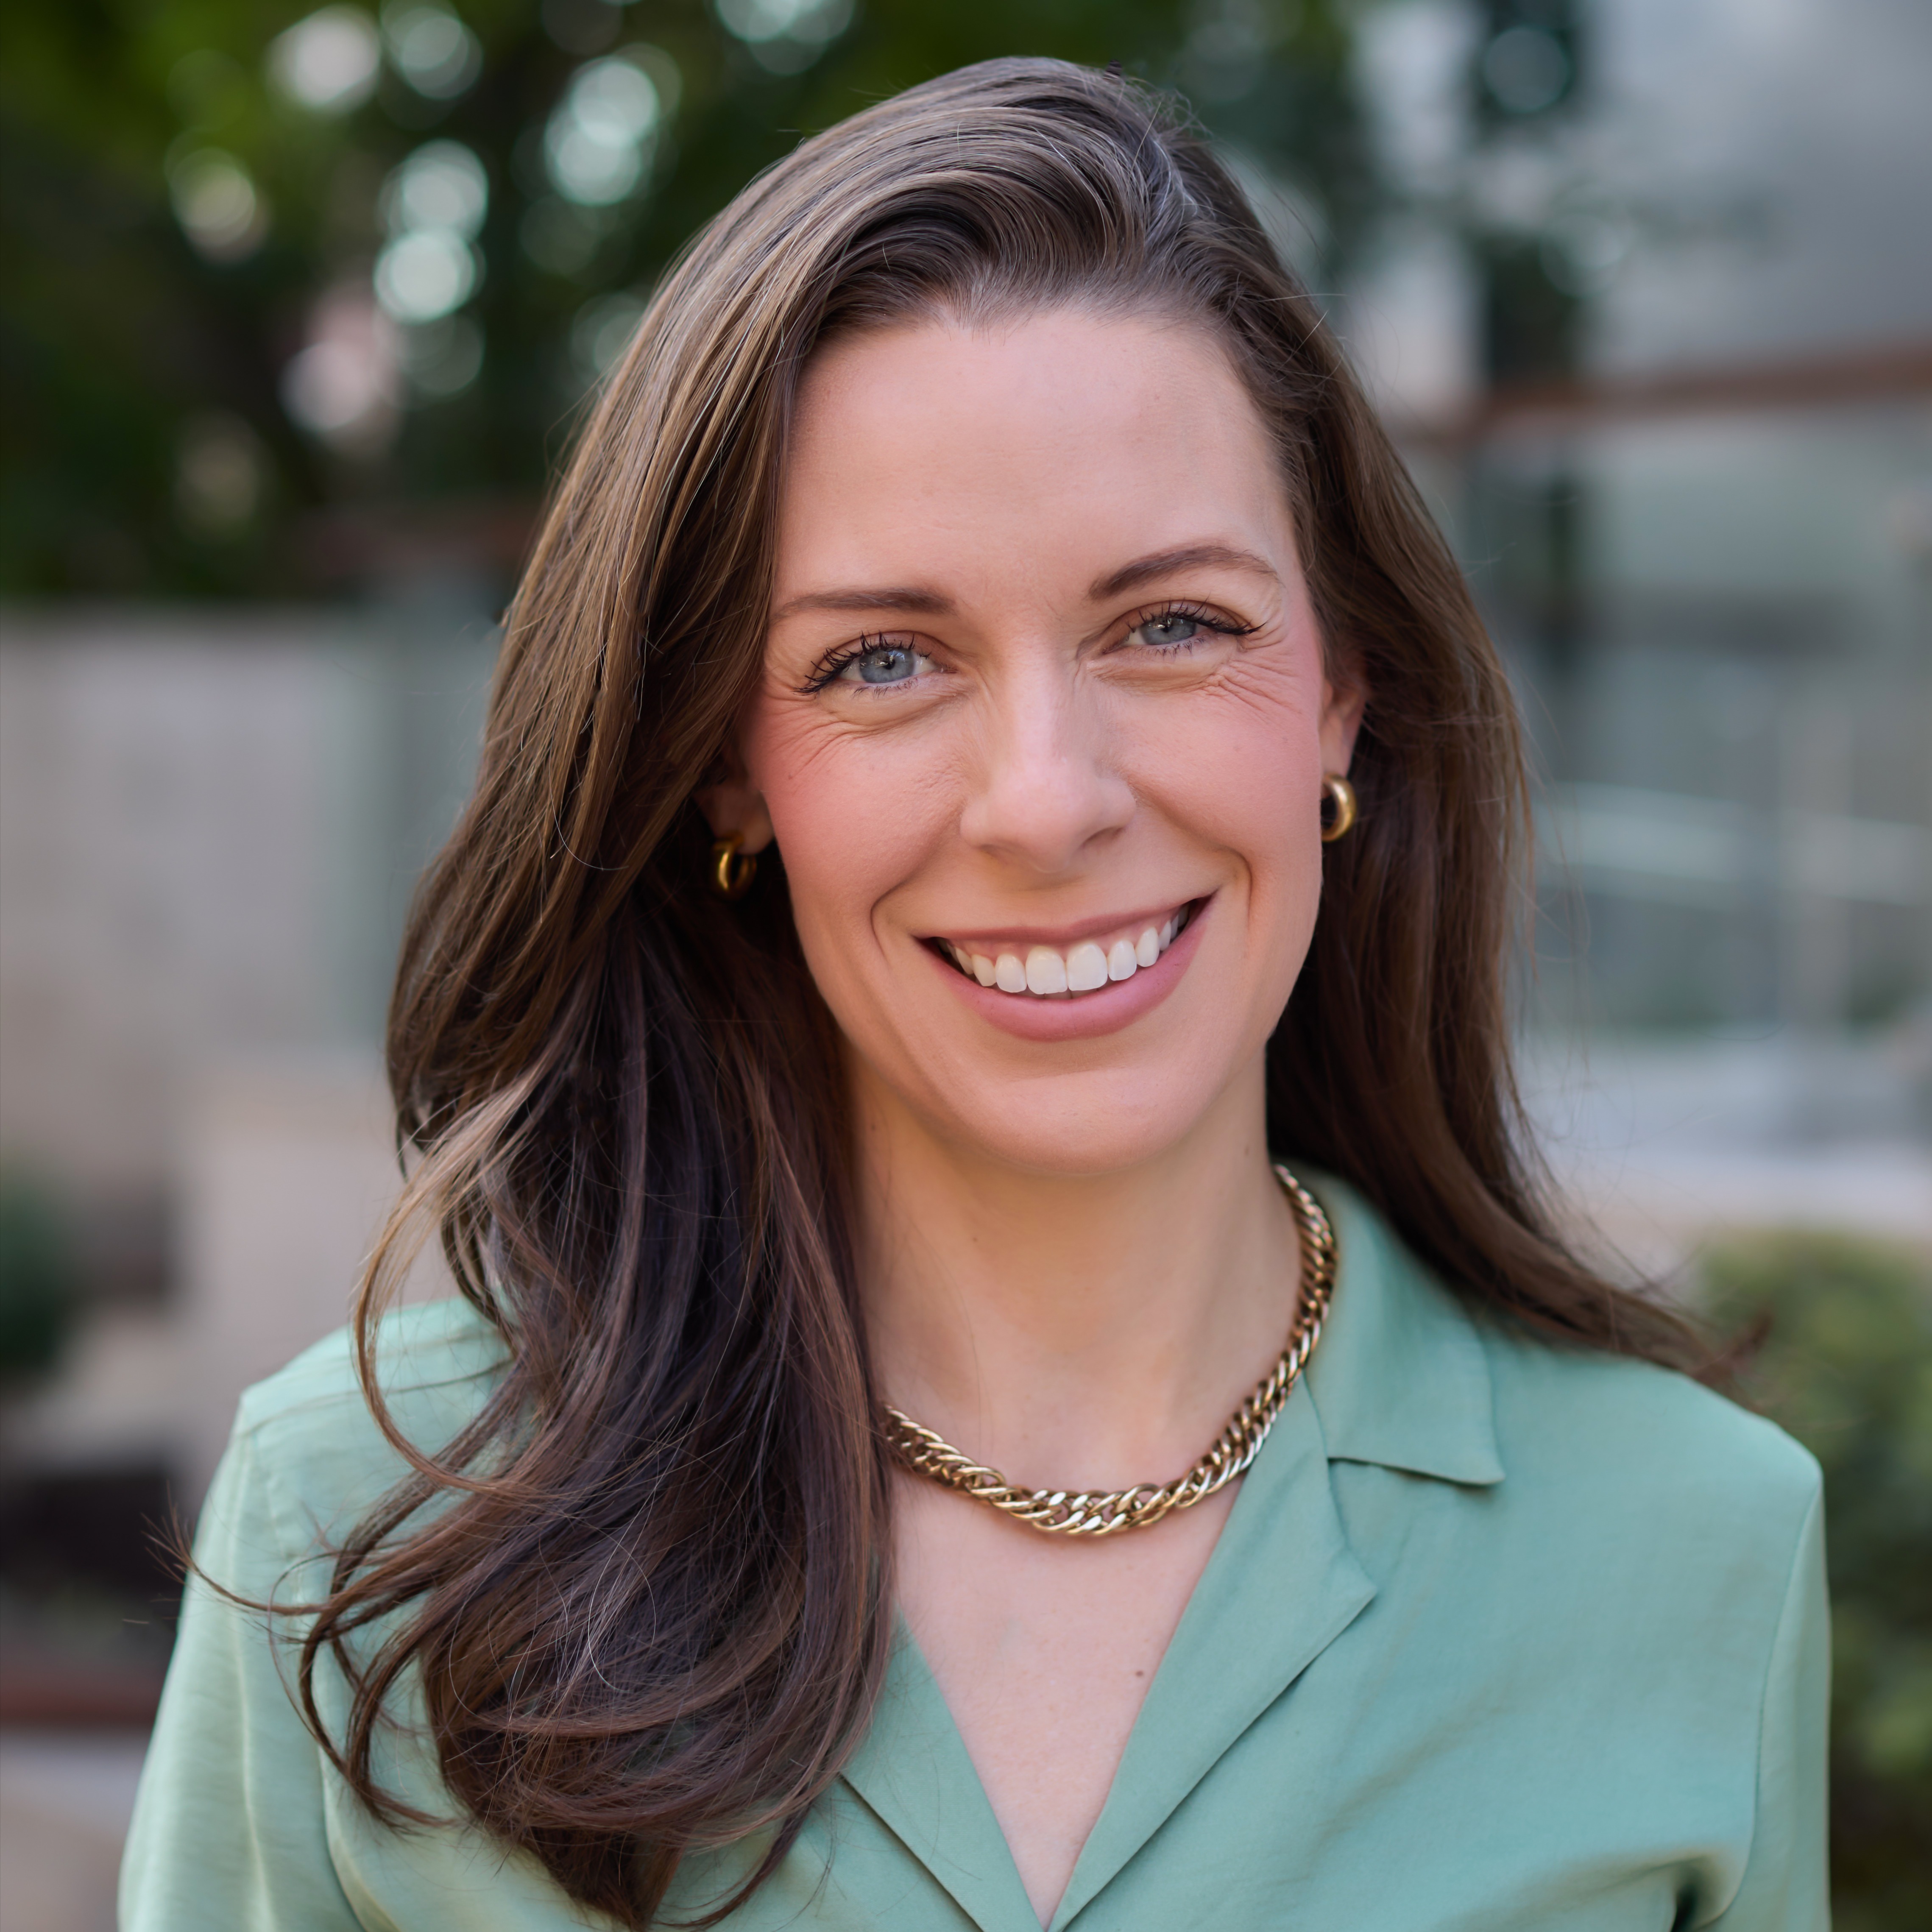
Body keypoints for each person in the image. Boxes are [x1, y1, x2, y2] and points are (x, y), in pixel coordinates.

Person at [122, 59, 1827, 1932]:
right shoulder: (365, 1530)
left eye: (1173, 624)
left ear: (1342, 690)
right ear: (726, 774)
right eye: (880, 661)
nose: (1048, 800)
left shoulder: (1697, 1548)